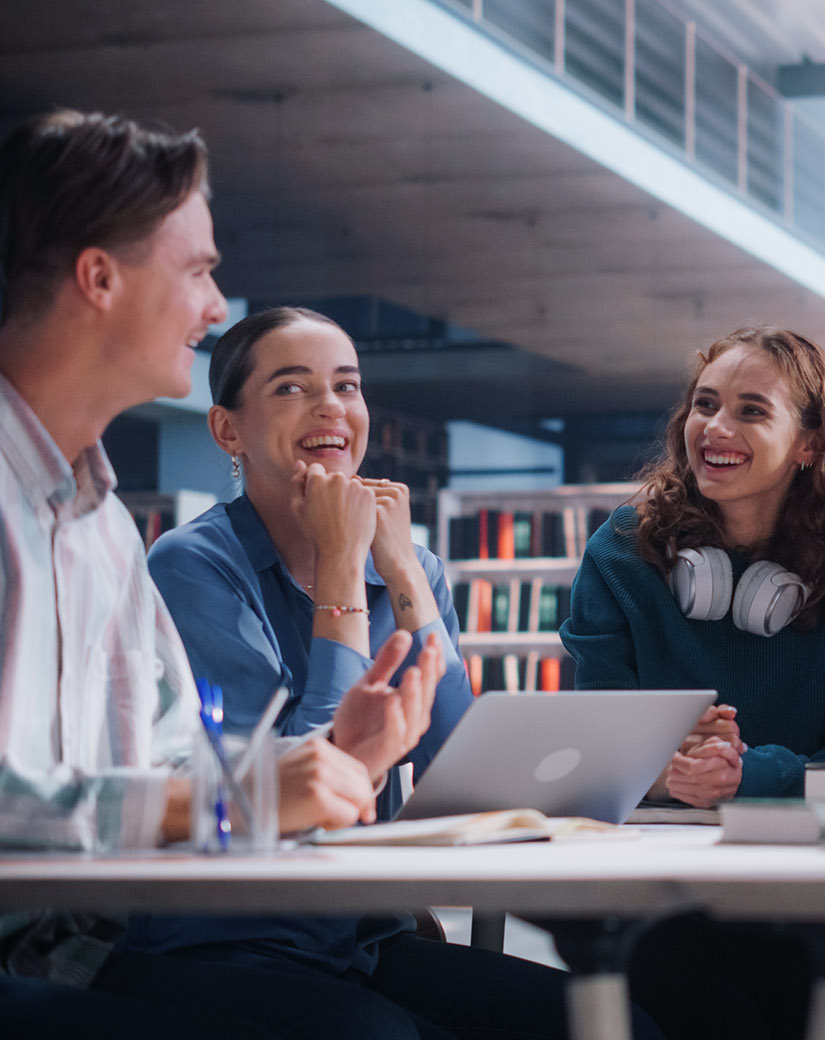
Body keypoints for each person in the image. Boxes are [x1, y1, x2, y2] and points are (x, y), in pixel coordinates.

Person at [0, 109, 460, 1040]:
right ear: (99, 279)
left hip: (89, 956)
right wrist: (231, 795)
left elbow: (180, 758)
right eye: (198, 271)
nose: (216, 308)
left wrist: (330, 755)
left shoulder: (103, 524)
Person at [130, 304, 644, 1040]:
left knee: (606, 1022)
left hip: (359, 939)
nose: (331, 407)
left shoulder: (409, 561)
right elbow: (292, 796)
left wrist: (403, 570)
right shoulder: (191, 566)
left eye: (347, 385)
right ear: (226, 430)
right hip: (225, 942)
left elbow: (461, 770)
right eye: (291, 388)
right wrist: (341, 569)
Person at [558, 326, 825, 1040]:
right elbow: (596, 750)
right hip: (656, 891)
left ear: (810, 444)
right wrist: (663, 775)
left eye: (751, 410)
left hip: (805, 881)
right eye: (705, 404)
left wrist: (744, 775)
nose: (715, 428)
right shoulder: (622, 550)